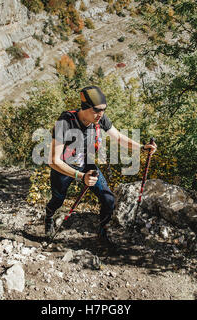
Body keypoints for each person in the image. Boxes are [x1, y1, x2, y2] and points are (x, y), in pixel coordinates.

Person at [46, 85, 156, 246]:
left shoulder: (100, 119)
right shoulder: (66, 122)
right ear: (85, 108)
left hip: (86, 165)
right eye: (97, 110)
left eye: (103, 109)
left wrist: (141, 147)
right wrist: (80, 176)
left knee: (108, 199)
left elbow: (118, 137)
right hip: (64, 166)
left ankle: (102, 231)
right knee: (58, 199)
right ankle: (49, 217)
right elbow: (53, 160)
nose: (101, 114)